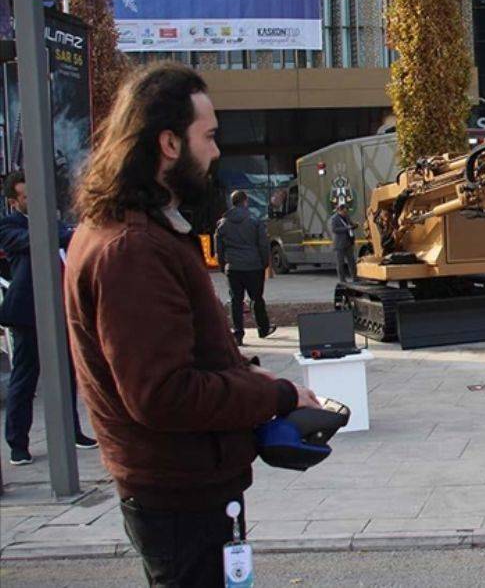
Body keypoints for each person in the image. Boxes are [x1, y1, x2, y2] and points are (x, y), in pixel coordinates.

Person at [63, 62, 321, 586]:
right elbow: (163, 393)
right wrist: (276, 397)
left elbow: (184, 359)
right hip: (179, 497)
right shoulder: (131, 248)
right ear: (169, 144)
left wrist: (249, 381)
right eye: (208, 136)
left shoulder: (140, 231)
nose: (217, 151)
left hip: (186, 486)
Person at [0, 171, 97, 466]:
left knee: (67, 375)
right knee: (25, 379)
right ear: (14, 201)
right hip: (29, 313)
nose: (34, 201)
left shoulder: (52, 224)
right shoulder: (9, 225)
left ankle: (72, 431)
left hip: (61, 309)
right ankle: (18, 443)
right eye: (28, 197)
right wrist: (66, 232)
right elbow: (37, 241)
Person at [215, 190, 275, 345]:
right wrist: (264, 263)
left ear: (232, 202)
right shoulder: (254, 221)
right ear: (245, 201)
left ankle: (238, 334)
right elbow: (262, 244)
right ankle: (263, 328)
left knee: (236, 300)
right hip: (253, 265)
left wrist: (223, 265)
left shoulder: (223, 223)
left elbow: (219, 248)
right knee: (257, 298)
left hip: (233, 267)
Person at [328, 202, 358, 282]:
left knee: (352, 262)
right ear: (339, 210)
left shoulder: (347, 217)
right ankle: (342, 280)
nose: (346, 213)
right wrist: (347, 228)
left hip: (348, 242)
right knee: (340, 263)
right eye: (344, 211)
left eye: (347, 211)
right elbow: (334, 230)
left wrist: (354, 225)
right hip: (339, 244)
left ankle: (355, 278)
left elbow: (351, 224)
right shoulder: (334, 219)